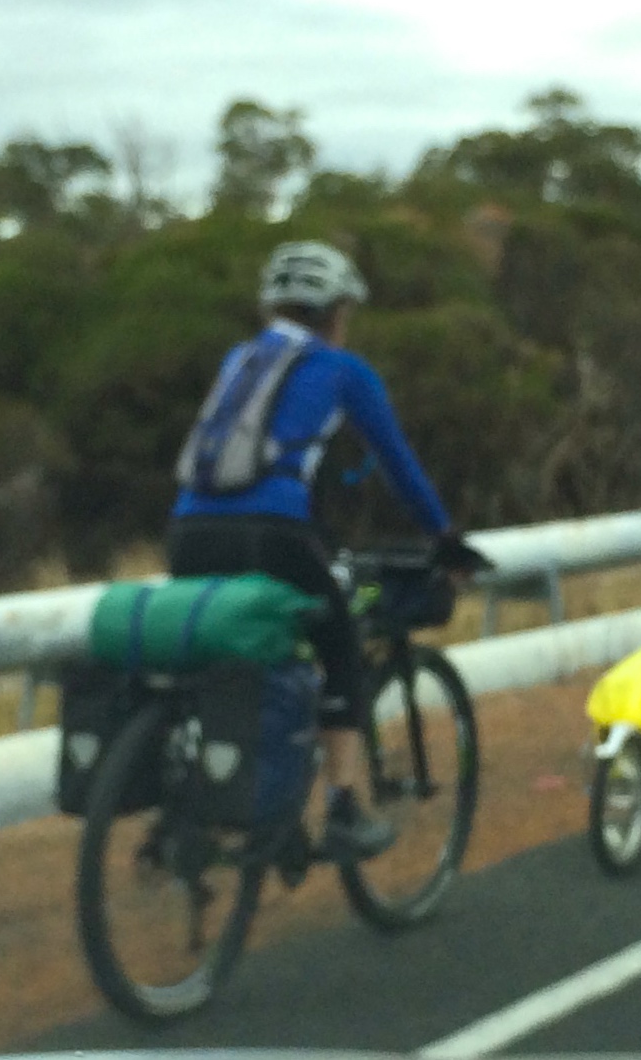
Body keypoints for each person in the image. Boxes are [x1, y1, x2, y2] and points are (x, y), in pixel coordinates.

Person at [169, 240, 457, 862]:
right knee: (342, 651)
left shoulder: (237, 360)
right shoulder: (344, 371)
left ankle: (185, 804)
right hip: (273, 534)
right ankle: (343, 809)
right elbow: (399, 465)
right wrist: (445, 538)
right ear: (333, 312)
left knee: (219, 656)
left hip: (188, 531)